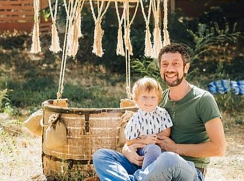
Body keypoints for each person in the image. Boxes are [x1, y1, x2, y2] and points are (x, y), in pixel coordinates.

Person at [93, 43, 226, 181]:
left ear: (186, 67)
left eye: (175, 63)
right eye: (165, 64)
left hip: (186, 169)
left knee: (168, 159)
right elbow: (137, 135)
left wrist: (176, 148)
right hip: (149, 163)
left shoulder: (203, 100)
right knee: (102, 156)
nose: (169, 69)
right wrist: (127, 150)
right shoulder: (157, 101)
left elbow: (219, 149)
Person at [124, 76, 173, 170]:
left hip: (160, 146)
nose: (149, 101)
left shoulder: (162, 113)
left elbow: (167, 131)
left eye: (153, 97)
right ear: (136, 99)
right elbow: (129, 141)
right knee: (153, 149)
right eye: (145, 97)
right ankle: (145, 175)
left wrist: (154, 138)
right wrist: (145, 141)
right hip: (142, 150)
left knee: (166, 154)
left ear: (159, 99)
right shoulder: (136, 119)